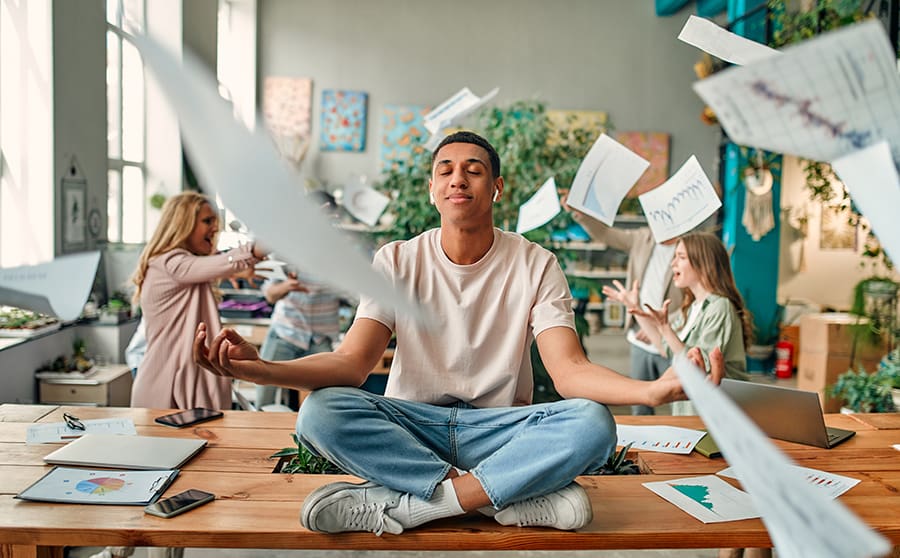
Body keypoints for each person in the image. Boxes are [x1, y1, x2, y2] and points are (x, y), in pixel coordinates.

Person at [193, 131, 723, 537]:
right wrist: (259, 367)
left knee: (591, 422)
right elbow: (352, 365)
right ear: (432, 189)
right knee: (320, 412)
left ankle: (413, 504)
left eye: (472, 170)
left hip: (500, 429)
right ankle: (504, 499)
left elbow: (569, 373)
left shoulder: (536, 263)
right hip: (413, 426)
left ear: (496, 188)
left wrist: (655, 391)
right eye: (445, 170)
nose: (457, 179)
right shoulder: (396, 260)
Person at [130, 191, 266, 410]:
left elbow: (209, 267)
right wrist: (276, 239)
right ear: (183, 224)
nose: (215, 228)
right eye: (207, 221)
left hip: (184, 378)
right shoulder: (170, 262)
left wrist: (235, 271)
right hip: (169, 385)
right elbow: (225, 262)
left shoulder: (176, 265)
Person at [603, 231, 751, 413]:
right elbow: (664, 347)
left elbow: (700, 365)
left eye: (681, 257)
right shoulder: (691, 307)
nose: (673, 263)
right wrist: (635, 308)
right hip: (690, 412)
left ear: (702, 264)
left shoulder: (719, 307)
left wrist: (652, 389)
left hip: (717, 413)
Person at [567, 209, 683, 415]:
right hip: (639, 338)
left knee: (680, 404)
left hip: (672, 338)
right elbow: (605, 234)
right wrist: (581, 215)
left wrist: (661, 327)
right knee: (640, 403)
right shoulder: (643, 237)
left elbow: (692, 300)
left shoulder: (687, 248)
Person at [254, 269, 340, 409]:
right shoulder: (289, 257)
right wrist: (287, 286)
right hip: (285, 333)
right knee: (264, 397)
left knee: (327, 400)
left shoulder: (339, 260)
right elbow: (270, 294)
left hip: (320, 338)